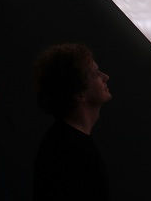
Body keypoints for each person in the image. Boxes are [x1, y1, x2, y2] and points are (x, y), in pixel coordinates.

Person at [33, 43, 112, 201]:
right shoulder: (64, 151)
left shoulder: (67, 142)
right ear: (79, 93)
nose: (105, 77)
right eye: (95, 74)